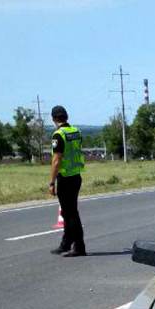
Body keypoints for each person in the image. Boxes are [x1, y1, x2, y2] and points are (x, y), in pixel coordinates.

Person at [47, 105, 87, 256]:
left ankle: (79, 247)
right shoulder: (76, 131)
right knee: (67, 212)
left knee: (71, 214)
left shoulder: (58, 135)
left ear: (54, 119)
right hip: (76, 176)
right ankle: (66, 243)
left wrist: (51, 182)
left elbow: (56, 160)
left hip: (65, 178)